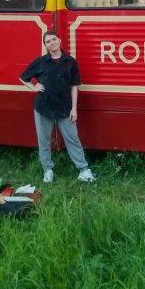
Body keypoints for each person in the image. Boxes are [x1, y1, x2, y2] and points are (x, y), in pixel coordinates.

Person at [19, 31, 95, 183]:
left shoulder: (70, 62)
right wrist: (33, 87)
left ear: (59, 41)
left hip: (65, 107)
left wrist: (74, 109)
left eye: (54, 39)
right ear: (45, 45)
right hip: (43, 107)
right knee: (44, 140)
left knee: (73, 138)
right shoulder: (40, 62)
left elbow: (74, 86)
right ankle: (48, 170)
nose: (51, 43)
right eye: (48, 41)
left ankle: (83, 170)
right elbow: (22, 77)